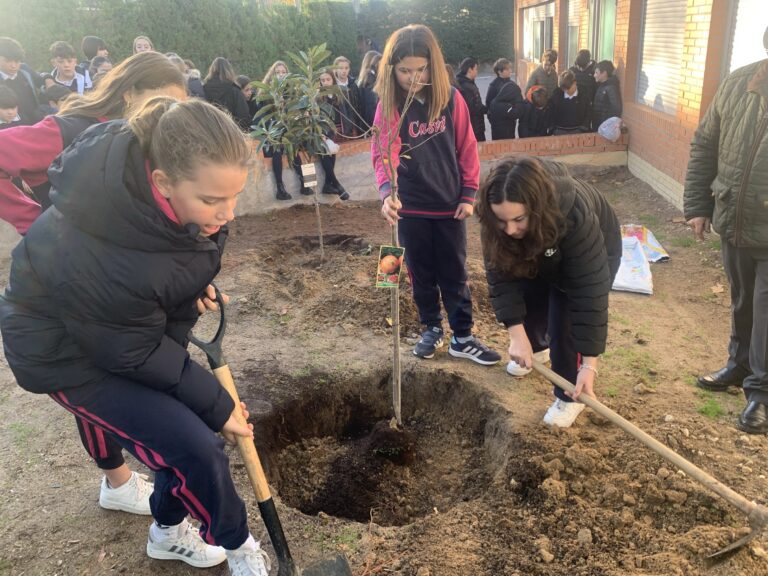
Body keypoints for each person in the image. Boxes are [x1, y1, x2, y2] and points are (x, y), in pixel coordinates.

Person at [0, 96, 271, 575]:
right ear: (162, 182)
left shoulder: (175, 209)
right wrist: (216, 403)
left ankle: (166, 533)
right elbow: (134, 347)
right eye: (212, 201)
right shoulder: (96, 243)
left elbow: (153, 297)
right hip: (64, 353)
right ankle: (238, 546)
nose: (226, 213)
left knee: (183, 434)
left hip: (116, 333)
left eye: (234, 197)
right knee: (194, 443)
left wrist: (187, 297)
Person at [372, 24, 501, 366]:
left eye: (421, 69)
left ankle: (462, 336)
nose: (413, 78)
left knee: (454, 273)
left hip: (448, 207)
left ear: (433, 64)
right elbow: (384, 153)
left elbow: (467, 146)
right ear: (391, 69)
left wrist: (468, 193)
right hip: (410, 208)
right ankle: (431, 327)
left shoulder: (450, 99)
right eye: (404, 71)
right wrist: (387, 193)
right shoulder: (390, 106)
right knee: (419, 272)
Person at [477, 157, 621, 427]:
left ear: (536, 208)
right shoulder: (499, 225)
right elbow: (501, 277)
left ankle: (570, 396)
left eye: (518, 219)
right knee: (528, 292)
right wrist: (516, 335)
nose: (509, 230)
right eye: (501, 220)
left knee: (563, 320)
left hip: (594, 250)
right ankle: (537, 347)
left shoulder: (575, 216)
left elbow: (588, 296)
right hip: (543, 247)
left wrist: (589, 366)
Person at [0, 51, 185, 250]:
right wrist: (31, 220)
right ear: (129, 94)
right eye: (161, 102)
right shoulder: (70, 130)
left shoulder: (146, 138)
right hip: (70, 263)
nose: (167, 113)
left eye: (176, 107)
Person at [683, 28, 768, 434]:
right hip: (734, 217)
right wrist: (699, 206)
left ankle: (761, 393)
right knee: (742, 301)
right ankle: (739, 366)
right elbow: (705, 143)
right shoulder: (738, 83)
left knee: (767, 310)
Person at [255, 60, 311, 201]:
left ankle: (305, 183)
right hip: (273, 132)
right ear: (272, 75)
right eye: (277, 72)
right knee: (277, 150)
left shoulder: (291, 92)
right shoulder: (265, 92)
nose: (280, 75)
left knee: (296, 148)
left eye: (283, 72)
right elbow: (263, 116)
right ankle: (280, 188)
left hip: (289, 130)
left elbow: (296, 112)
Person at [317, 70, 350, 200]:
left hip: (334, 130)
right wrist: (320, 133)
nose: (325, 83)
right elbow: (316, 117)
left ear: (333, 80)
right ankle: (337, 184)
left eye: (328, 80)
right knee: (325, 152)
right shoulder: (318, 97)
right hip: (322, 132)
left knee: (331, 152)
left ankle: (327, 184)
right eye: (323, 80)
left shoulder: (339, 94)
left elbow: (345, 112)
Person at [0, 37, 42, 125]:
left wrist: (48, 79)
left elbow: (40, 79)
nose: (13, 65)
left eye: (17, 61)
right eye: (8, 61)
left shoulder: (24, 70)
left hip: (36, 122)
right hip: (10, 127)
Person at [203, 57, 250, 131]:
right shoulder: (234, 91)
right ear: (229, 70)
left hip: (210, 133)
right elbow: (243, 117)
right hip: (231, 133)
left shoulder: (203, 89)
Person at [548, 70, 590, 135]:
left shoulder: (584, 95)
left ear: (574, 83)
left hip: (578, 131)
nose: (566, 91)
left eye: (568, 88)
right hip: (559, 131)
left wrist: (583, 128)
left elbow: (588, 113)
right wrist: (553, 129)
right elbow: (551, 113)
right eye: (563, 89)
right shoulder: (556, 95)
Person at [456, 57, 487, 142]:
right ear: (470, 70)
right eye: (476, 69)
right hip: (474, 128)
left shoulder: (465, 83)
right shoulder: (466, 87)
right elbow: (472, 109)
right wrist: (487, 109)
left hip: (473, 127)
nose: (477, 72)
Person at [333, 55, 364, 136]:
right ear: (335, 69)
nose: (344, 71)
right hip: (338, 127)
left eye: (346, 68)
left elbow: (359, 106)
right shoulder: (332, 87)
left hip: (354, 125)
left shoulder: (353, 85)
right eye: (341, 68)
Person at [591, 60, 622, 132]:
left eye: (596, 72)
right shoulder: (602, 85)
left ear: (604, 73)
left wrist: (607, 125)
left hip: (605, 127)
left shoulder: (611, 88)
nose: (594, 75)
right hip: (599, 125)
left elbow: (616, 109)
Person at [357, 50, 381, 129]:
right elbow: (371, 106)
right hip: (373, 123)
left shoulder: (362, 81)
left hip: (366, 123)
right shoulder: (370, 81)